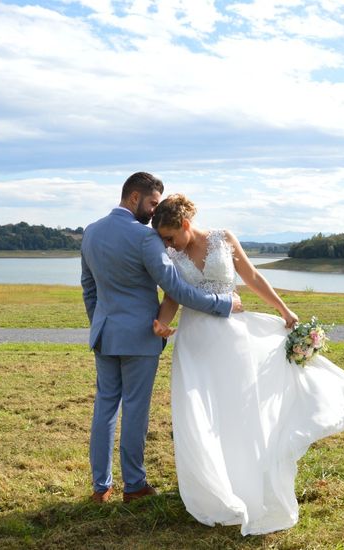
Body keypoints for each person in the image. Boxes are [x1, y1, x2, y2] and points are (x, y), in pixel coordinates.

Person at [152, 194, 344, 535]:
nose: (166, 243)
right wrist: (161, 323)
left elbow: (253, 278)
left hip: (232, 338)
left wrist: (284, 311)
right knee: (203, 412)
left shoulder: (223, 239)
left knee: (239, 409)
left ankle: (246, 479)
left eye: (170, 236)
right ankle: (213, 488)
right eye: (162, 238)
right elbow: (172, 294)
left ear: (186, 224)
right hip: (195, 341)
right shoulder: (172, 255)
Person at [80, 173, 243, 505]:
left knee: (105, 408)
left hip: (104, 332)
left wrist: (99, 322)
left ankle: (101, 487)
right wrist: (221, 303)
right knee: (136, 409)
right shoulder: (145, 239)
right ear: (134, 197)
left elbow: (89, 288)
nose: (155, 212)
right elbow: (176, 288)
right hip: (140, 336)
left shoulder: (91, 232)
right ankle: (134, 485)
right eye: (153, 203)